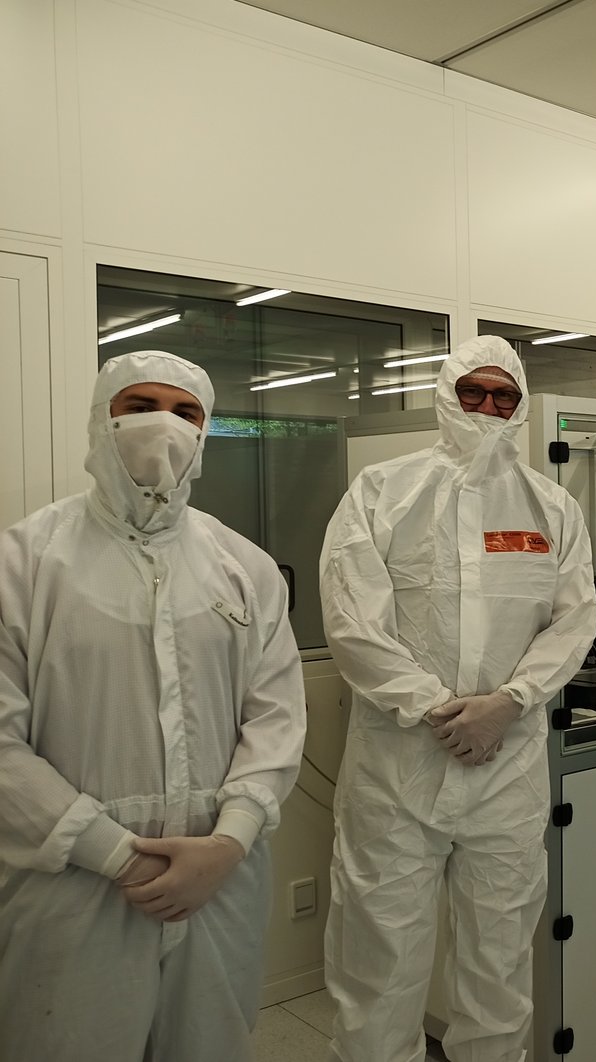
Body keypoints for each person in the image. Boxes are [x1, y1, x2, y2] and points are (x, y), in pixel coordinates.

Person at [0, 350, 306, 1061]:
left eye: (185, 412)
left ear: (205, 432)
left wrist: (229, 839)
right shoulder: (24, 562)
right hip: (74, 889)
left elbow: (277, 717)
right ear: (100, 420)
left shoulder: (245, 567)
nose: (162, 425)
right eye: (139, 407)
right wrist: (115, 854)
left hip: (220, 886)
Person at [320, 335, 596, 1062]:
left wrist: (508, 702)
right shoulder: (383, 491)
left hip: (506, 768)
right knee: (379, 967)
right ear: (446, 396)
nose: (487, 408)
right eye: (472, 392)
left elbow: (575, 619)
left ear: (522, 404)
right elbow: (353, 623)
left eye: (503, 396)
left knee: (498, 967)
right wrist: (438, 710)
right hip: (399, 768)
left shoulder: (552, 507)